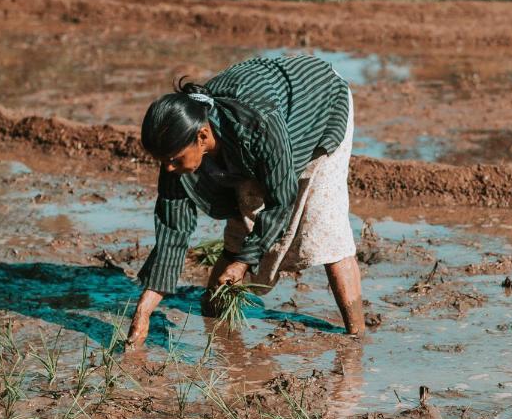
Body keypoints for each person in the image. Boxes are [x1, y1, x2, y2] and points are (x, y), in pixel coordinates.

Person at [126, 53, 365, 348]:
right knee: (240, 230)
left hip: (320, 104)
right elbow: (172, 235)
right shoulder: (178, 150)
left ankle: (357, 337)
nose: (168, 169)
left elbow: (281, 199)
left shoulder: (258, 124)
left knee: (325, 228)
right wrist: (144, 311)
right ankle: (221, 333)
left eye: (174, 161)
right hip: (257, 137)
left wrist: (241, 264)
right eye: (163, 162)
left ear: (202, 137)